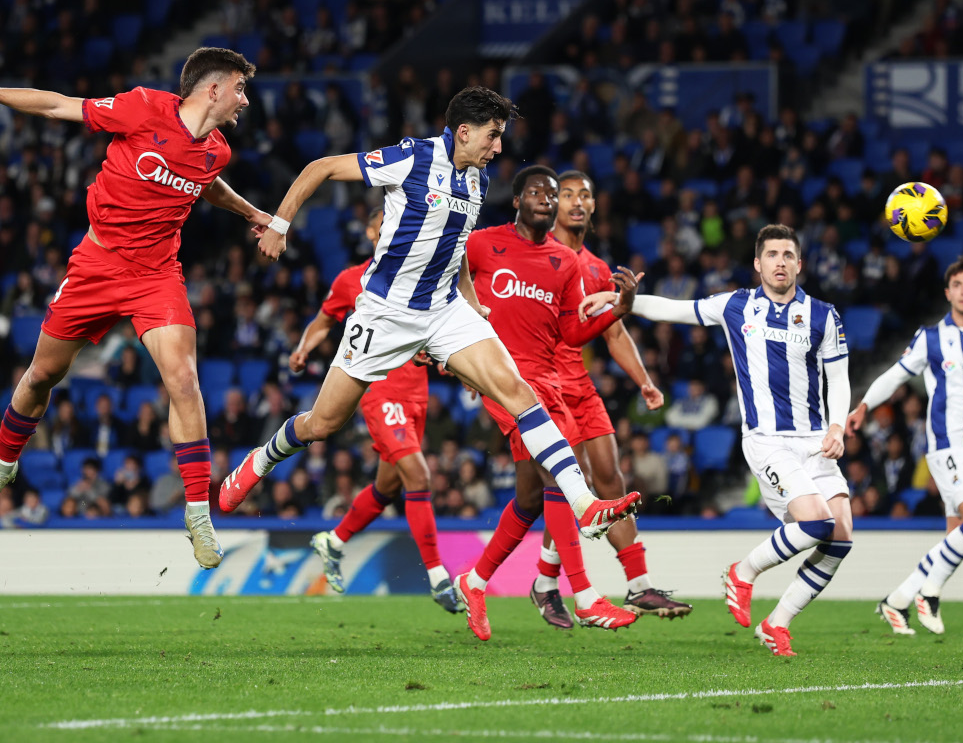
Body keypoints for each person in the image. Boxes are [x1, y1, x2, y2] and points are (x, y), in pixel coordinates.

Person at [220, 87, 641, 541]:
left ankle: (585, 504)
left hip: (444, 310)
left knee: (521, 394)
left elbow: (456, 246)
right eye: (493, 136)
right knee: (323, 423)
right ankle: (261, 458)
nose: (498, 148)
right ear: (464, 132)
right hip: (384, 314)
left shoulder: (476, 181)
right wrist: (280, 227)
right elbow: (319, 168)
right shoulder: (412, 158)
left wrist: (473, 303)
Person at [0, 47, 270, 569]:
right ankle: (1, 465)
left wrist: (253, 212)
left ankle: (198, 513)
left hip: (157, 275)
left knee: (183, 380)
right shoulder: (142, 108)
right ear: (213, 89)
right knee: (42, 376)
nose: (244, 100)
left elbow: (208, 186)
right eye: (240, 89)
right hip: (96, 265)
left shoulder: (218, 152)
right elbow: (57, 107)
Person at [581, 224, 853, 657]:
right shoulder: (737, 305)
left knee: (840, 539)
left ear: (800, 264)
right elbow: (675, 309)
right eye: (772, 255)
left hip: (816, 441)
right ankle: (742, 572)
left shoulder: (823, 315)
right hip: (768, 440)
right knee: (816, 524)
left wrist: (837, 426)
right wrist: (621, 301)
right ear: (757, 264)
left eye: (788, 255)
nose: (780, 262)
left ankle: (776, 624)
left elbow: (838, 380)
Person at [453, 165, 641, 640]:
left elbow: (571, 332)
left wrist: (618, 310)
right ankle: (584, 595)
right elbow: (447, 277)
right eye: (536, 191)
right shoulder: (481, 243)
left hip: (547, 380)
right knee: (562, 472)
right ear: (516, 201)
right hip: (502, 376)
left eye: (552, 194)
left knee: (530, 497)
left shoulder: (565, 261)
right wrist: (447, 344)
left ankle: (474, 582)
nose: (547, 198)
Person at [528, 170, 691, 627]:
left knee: (610, 478)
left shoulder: (599, 268)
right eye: (567, 195)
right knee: (570, 482)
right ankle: (546, 583)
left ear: (595, 206)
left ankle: (638, 586)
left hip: (580, 382)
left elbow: (615, 332)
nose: (576, 202)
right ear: (552, 204)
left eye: (585, 195)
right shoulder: (540, 256)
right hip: (546, 383)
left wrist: (644, 380)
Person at [847, 254, 963, 635]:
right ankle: (928, 595)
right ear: (947, 292)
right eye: (957, 285)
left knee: (955, 538)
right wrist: (865, 404)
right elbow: (895, 376)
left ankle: (897, 600)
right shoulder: (931, 338)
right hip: (947, 446)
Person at [286, 208, 461, 613]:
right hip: (380, 392)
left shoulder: (426, 277)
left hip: (417, 395)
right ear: (370, 232)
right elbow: (324, 319)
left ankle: (334, 540)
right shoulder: (352, 280)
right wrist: (303, 347)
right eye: (384, 224)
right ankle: (438, 578)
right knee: (419, 474)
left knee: (388, 487)